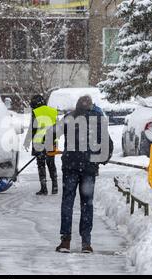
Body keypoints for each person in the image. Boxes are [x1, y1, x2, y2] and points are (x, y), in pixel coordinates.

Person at [52, 95, 113, 254]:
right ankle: (86, 243)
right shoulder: (98, 119)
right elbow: (108, 143)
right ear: (91, 106)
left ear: (77, 106)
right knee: (87, 204)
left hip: (70, 166)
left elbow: (52, 133)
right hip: (88, 168)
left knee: (67, 202)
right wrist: (102, 159)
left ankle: (65, 241)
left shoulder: (69, 117)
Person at [24, 95, 59, 195]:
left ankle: (44, 188)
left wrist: (27, 141)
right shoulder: (52, 111)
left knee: (41, 165)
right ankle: (55, 187)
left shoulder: (36, 112)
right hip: (51, 142)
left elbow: (32, 129)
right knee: (51, 164)